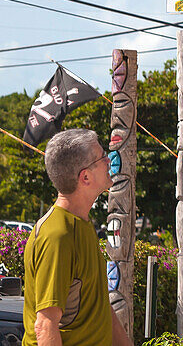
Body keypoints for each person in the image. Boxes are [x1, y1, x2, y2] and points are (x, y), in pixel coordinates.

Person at [23, 129, 132, 346]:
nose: (110, 161)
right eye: (103, 157)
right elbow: (45, 326)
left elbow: (99, 306)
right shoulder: (57, 236)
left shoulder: (80, 224)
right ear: (85, 177)